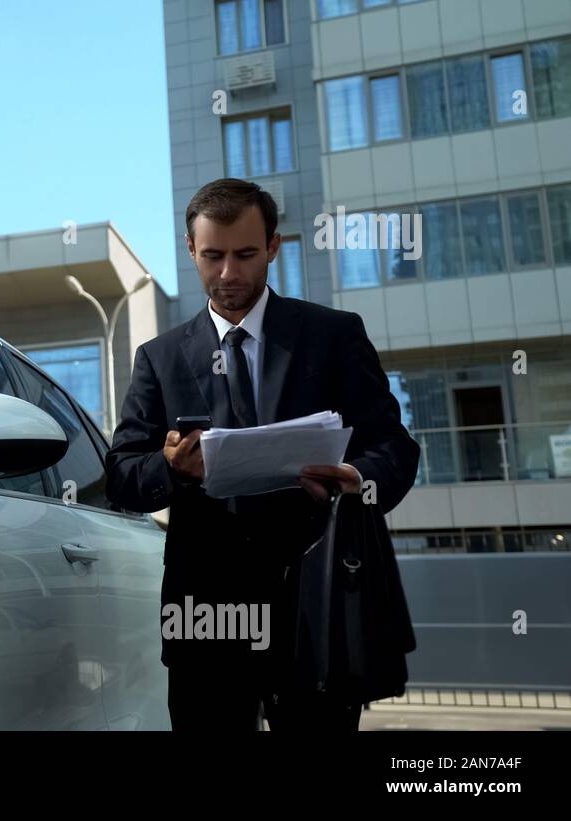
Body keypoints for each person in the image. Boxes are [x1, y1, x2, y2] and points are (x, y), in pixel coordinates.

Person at [105, 178, 419, 731]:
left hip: (316, 605)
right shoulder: (158, 359)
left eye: (246, 254)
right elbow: (123, 479)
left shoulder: (334, 335)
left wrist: (354, 477)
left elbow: (393, 447)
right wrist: (173, 470)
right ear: (189, 249)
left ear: (274, 246)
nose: (229, 274)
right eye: (213, 256)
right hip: (205, 618)